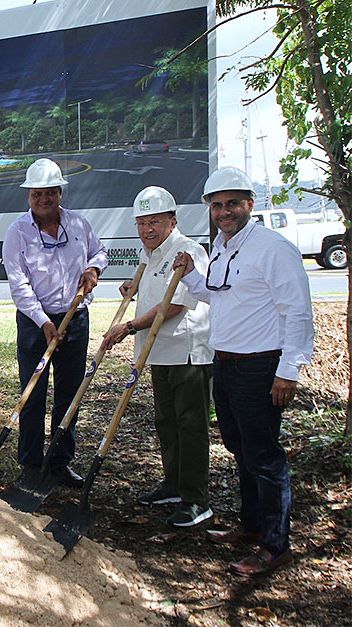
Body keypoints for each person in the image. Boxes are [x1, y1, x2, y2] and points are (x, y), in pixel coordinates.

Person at [173, 166, 313, 577]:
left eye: (232, 203)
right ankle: (251, 526)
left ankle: (275, 544)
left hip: (261, 365)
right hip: (227, 362)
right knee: (240, 446)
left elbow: (298, 313)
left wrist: (288, 371)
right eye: (216, 205)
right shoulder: (221, 246)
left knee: (265, 456)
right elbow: (216, 297)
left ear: (250, 204)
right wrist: (190, 275)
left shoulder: (273, 248)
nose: (224, 211)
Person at [101, 186, 213, 527]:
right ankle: (173, 485)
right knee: (166, 423)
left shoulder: (187, 250)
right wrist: (132, 287)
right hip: (159, 353)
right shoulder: (149, 252)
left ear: (172, 221)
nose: (147, 229)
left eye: (155, 222)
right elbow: (153, 288)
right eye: (141, 223)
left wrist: (129, 326)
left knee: (190, 425)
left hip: (187, 352)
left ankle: (197, 500)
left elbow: (177, 304)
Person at [2, 158, 107, 489]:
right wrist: (44, 321)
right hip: (36, 324)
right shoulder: (17, 233)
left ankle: (60, 463)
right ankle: (31, 466)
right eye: (37, 194)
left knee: (69, 394)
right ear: (28, 196)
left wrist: (93, 270)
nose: (43, 199)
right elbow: (20, 286)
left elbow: (99, 253)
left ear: (60, 192)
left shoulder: (78, 225)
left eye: (49, 192)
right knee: (32, 395)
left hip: (75, 320)